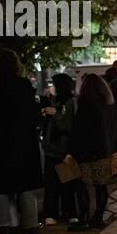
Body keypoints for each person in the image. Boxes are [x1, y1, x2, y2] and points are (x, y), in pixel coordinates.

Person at [0, 48, 43, 234]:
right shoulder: (25, 86)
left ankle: (5, 227)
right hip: (23, 143)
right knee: (26, 186)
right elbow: (34, 115)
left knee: (0, 187)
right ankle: (31, 225)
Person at [68, 73, 117, 230]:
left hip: (85, 152)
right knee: (101, 185)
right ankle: (98, 218)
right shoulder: (109, 104)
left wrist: (71, 151)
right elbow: (115, 130)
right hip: (104, 151)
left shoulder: (85, 104)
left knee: (81, 185)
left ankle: (83, 219)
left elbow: (78, 130)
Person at [40, 73, 77, 226]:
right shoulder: (56, 101)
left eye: (55, 85)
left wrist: (55, 115)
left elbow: (67, 126)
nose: (52, 88)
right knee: (52, 183)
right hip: (52, 148)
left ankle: (68, 212)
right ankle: (52, 212)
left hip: (64, 148)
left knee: (66, 181)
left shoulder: (70, 103)